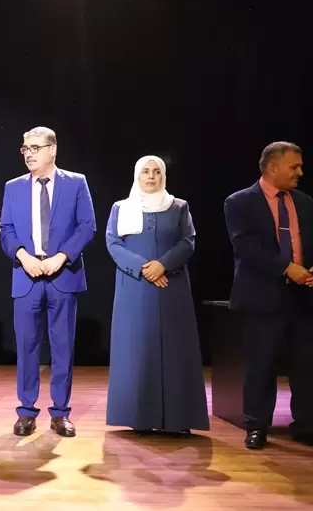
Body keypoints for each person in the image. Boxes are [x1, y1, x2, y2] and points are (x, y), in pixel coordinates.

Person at [0, 126, 95, 438]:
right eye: (25, 148)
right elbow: (6, 229)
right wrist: (23, 255)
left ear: (52, 150)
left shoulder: (76, 183)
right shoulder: (13, 187)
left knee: (62, 346)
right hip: (26, 274)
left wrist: (62, 257)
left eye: (35, 148)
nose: (28, 154)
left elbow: (87, 225)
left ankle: (60, 413)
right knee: (26, 346)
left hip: (62, 275)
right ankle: (26, 412)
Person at [104, 156, 209, 436]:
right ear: (137, 176)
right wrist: (143, 268)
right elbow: (113, 243)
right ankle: (139, 417)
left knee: (175, 349)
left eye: (156, 172)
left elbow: (188, 241)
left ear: (163, 176)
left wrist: (163, 265)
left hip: (171, 286)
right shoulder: (121, 208)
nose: (151, 176)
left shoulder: (178, 207)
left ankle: (178, 419)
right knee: (137, 349)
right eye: (145, 172)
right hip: (134, 287)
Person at [224, 141, 313, 449]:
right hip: (262, 298)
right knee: (261, 365)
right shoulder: (239, 203)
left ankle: (306, 425)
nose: (300, 172)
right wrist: (287, 268)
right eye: (294, 166)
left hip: (304, 297)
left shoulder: (305, 202)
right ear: (272, 168)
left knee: (306, 364)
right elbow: (245, 248)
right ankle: (257, 426)